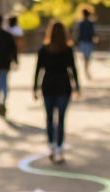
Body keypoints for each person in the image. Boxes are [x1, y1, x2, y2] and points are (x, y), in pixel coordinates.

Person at [33, 21, 80, 163]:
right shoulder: (67, 49)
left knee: (49, 119)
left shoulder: (44, 49)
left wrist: (35, 87)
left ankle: (52, 146)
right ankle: (58, 148)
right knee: (60, 120)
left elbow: (38, 70)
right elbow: (73, 69)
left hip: (48, 87)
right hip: (63, 87)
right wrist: (77, 86)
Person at [74, 7, 98, 80]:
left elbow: (78, 33)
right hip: (87, 42)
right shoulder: (87, 23)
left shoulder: (82, 23)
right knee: (87, 57)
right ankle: (86, 70)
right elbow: (93, 32)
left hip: (85, 42)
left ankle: (86, 70)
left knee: (86, 57)